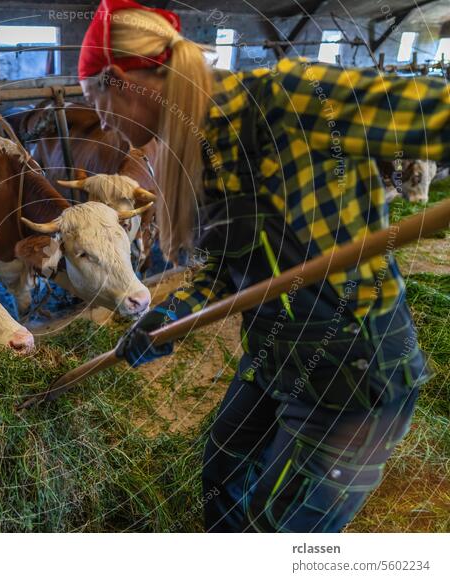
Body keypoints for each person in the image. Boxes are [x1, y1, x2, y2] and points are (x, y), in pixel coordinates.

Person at [77, 0, 446, 532]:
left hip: (352, 369)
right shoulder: (195, 150)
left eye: (93, 99)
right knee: (221, 473)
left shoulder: (285, 100)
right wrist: (164, 318)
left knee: (273, 528)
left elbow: (432, 112)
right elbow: (225, 267)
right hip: (274, 352)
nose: (102, 122)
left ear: (118, 82)